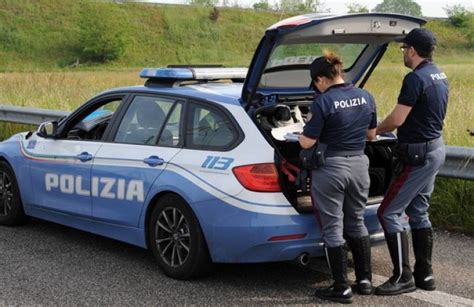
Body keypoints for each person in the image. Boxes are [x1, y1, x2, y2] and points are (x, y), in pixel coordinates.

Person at [299, 52, 377, 304]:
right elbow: (371, 135)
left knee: (333, 226)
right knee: (356, 221)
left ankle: (341, 287)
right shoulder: (366, 96)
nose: (316, 88)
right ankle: (365, 280)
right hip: (359, 166)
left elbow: (307, 141)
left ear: (321, 79)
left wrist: (300, 135)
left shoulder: (323, 102)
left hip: (331, 168)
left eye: (315, 84)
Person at [375, 28, 448, 296]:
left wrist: (374, 131)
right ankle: (424, 275)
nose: (403, 53)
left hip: (417, 155)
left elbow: (396, 120)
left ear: (412, 51)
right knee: (418, 212)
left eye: (404, 48)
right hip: (435, 149)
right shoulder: (439, 73)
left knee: (389, 212)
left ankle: (402, 276)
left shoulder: (415, 79)